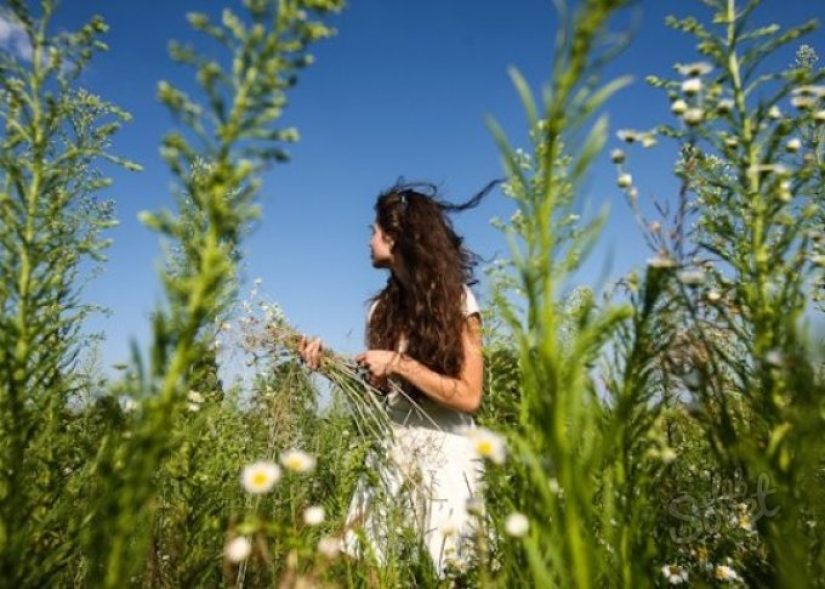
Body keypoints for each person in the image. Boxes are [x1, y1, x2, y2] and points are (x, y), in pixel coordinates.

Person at [299, 179, 498, 578]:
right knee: (372, 568)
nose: (369, 241)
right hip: (394, 449)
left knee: (451, 571)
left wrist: (400, 363)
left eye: (374, 232)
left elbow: (469, 396)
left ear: (397, 238)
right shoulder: (379, 311)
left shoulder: (458, 302)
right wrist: (330, 368)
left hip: (448, 452)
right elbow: (378, 394)